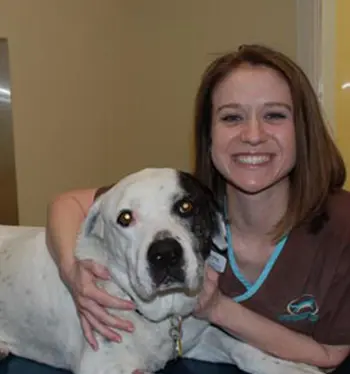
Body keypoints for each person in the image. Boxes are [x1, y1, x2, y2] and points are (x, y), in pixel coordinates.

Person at [2, 44, 350, 374]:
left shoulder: (196, 201)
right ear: (208, 135)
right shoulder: (178, 195)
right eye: (232, 117)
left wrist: (220, 316)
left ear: (302, 128)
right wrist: (71, 269)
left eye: (274, 114)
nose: (253, 135)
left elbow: (333, 353)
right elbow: (68, 203)